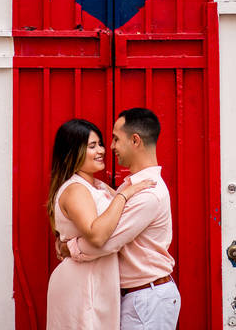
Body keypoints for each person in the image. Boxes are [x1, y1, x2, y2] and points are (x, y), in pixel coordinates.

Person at [61, 107, 181, 330]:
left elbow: (106, 241)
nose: (111, 147)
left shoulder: (148, 194)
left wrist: (70, 248)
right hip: (141, 296)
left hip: (147, 298)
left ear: (135, 140)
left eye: (116, 139)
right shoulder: (132, 186)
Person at [46, 118, 156, 330]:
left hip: (96, 282)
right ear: (73, 151)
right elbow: (97, 236)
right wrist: (124, 194)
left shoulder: (97, 186)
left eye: (101, 144)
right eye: (92, 146)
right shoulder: (76, 189)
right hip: (82, 283)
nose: (102, 151)